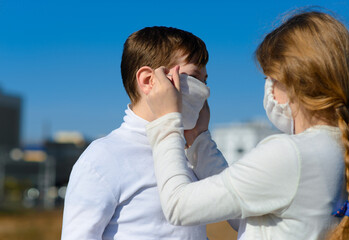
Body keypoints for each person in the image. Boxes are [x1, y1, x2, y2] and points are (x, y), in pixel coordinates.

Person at [144, 11, 349, 240]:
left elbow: (179, 206)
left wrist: (167, 119)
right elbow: (243, 213)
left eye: (270, 79)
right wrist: (199, 138)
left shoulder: (289, 154)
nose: (269, 88)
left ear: (293, 82)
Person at [61, 26, 228, 239]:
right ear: (150, 81)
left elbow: (238, 206)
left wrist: (199, 137)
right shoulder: (103, 158)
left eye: (205, 81)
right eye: (194, 77)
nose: (205, 91)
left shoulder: (192, 155)